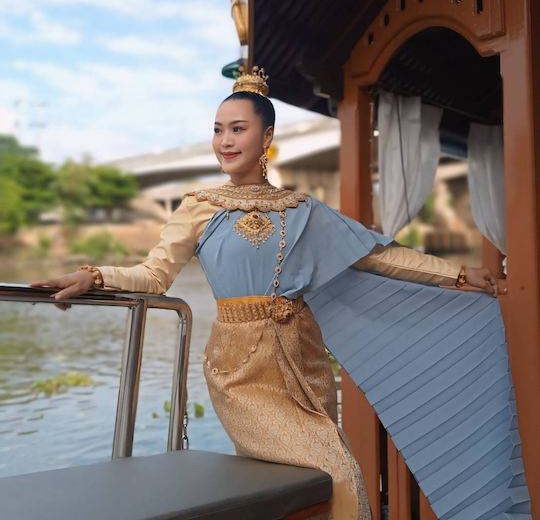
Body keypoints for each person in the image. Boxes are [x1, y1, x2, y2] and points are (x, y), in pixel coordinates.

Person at [30, 67, 518, 520]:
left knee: (315, 481)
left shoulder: (301, 208)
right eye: (218, 129)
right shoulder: (199, 207)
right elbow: (154, 275)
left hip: (303, 362)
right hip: (240, 370)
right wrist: (94, 276)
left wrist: (456, 275)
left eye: (237, 129)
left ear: (266, 138)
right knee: (340, 473)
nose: (224, 140)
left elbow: (376, 256)